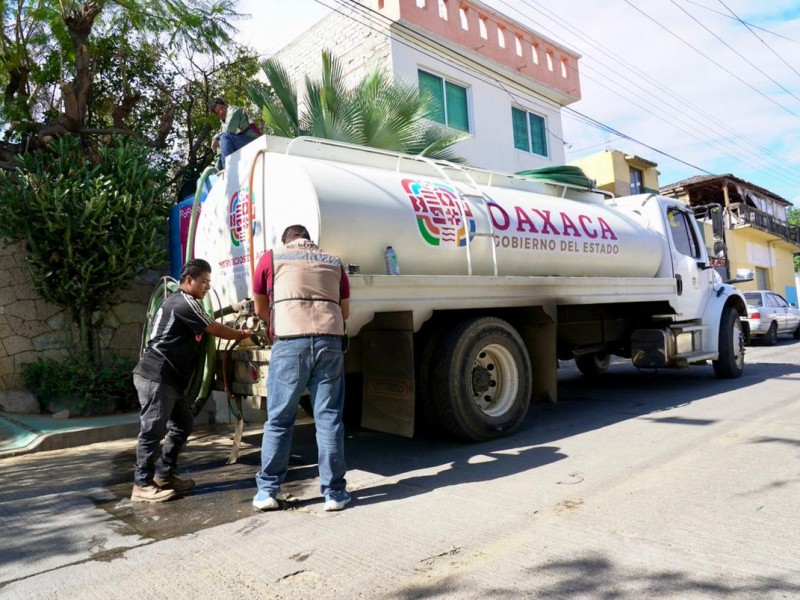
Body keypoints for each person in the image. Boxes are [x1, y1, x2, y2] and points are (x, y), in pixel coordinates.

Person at [131, 258, 254, 503]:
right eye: (204, 282)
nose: (207, 287)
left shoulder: (183, 302)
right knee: (152, 431)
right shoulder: (184, 302)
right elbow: (214, 328)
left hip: (170, 380)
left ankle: (164, 475)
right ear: (189, 280)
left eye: (209, 282)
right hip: (157, 376)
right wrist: (242, 333)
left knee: (182, 425)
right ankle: (141, 485)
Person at [251, 225, 352, 512]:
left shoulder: (271, 258)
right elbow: (345, 310)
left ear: (286, 241)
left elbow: (261, 307)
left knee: (280, 420)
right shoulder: (333, 261)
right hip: (330, 341)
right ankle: (334, 494)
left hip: (289, 341)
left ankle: (267, 492)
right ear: (309, 240)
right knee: (329, 419)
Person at [208, 97, 260, 170]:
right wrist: (217, 167)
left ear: (226, 104)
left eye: (222, 108)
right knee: (223, 141)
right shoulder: (223, 123)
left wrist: (215, 139)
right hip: (242, 142)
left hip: (253, 140)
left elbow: (228, 129)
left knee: (224, 137)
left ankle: (228, 169)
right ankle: (221, 170)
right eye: (218, 112)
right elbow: (222, 146)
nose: (221, 112)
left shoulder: (235, 111)